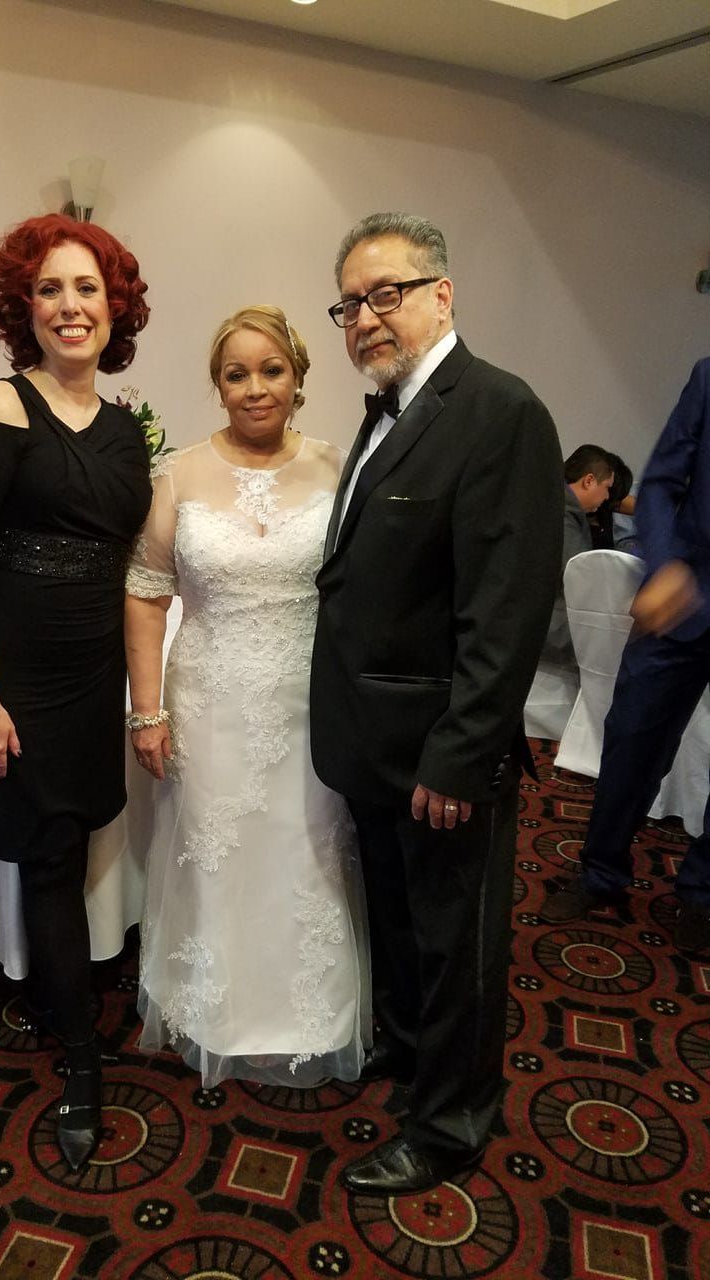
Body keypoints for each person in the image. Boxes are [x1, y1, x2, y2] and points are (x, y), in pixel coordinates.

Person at [310, 212, 562, 1194]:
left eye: (388, 293)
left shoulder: (500, 410)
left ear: (442, 294)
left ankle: (453, 1120)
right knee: (407, 924)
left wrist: (462, 754)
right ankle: (413, 1057)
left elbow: (507, 609)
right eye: (350, 303)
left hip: (443, 752)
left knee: (459, 941)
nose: (367, 317)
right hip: (376, 739)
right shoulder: (388, 411)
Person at [0, 213, 152, 1169]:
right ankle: (79, 1054)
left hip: (92, 670)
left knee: (74, 839)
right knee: (52, 851)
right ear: (25, 308)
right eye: (52, 290)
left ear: (116, 308)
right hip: (10, 679)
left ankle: (51, 997)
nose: (72, 306)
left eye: (88, 290)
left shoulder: (123, 427)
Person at [124, 305, 369, 1087]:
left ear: (298, 378)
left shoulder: (340, 465)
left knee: (307, 850)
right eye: (237, 374)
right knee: (216, 856)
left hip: (309, 705)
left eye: (271, 371)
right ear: (217, 385)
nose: (255, 388)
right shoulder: (181, 473)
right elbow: (146, 592)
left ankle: (310, 1012)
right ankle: (213, 1008)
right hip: (209, 703)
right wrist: (148, 707)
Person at [541, 359, 710, 953]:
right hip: (681, 596)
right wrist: (666, 566)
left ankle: (702, 891)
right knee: (632, 737)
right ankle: (601, 871)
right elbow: (663, 484)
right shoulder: (708, 377)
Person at [543, 444, 615, 666]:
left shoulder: (554, 503)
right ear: (589, 480)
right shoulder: (563, 515)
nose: (607, 496)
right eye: (607, 487)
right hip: (549, 626)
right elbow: (577, 577)